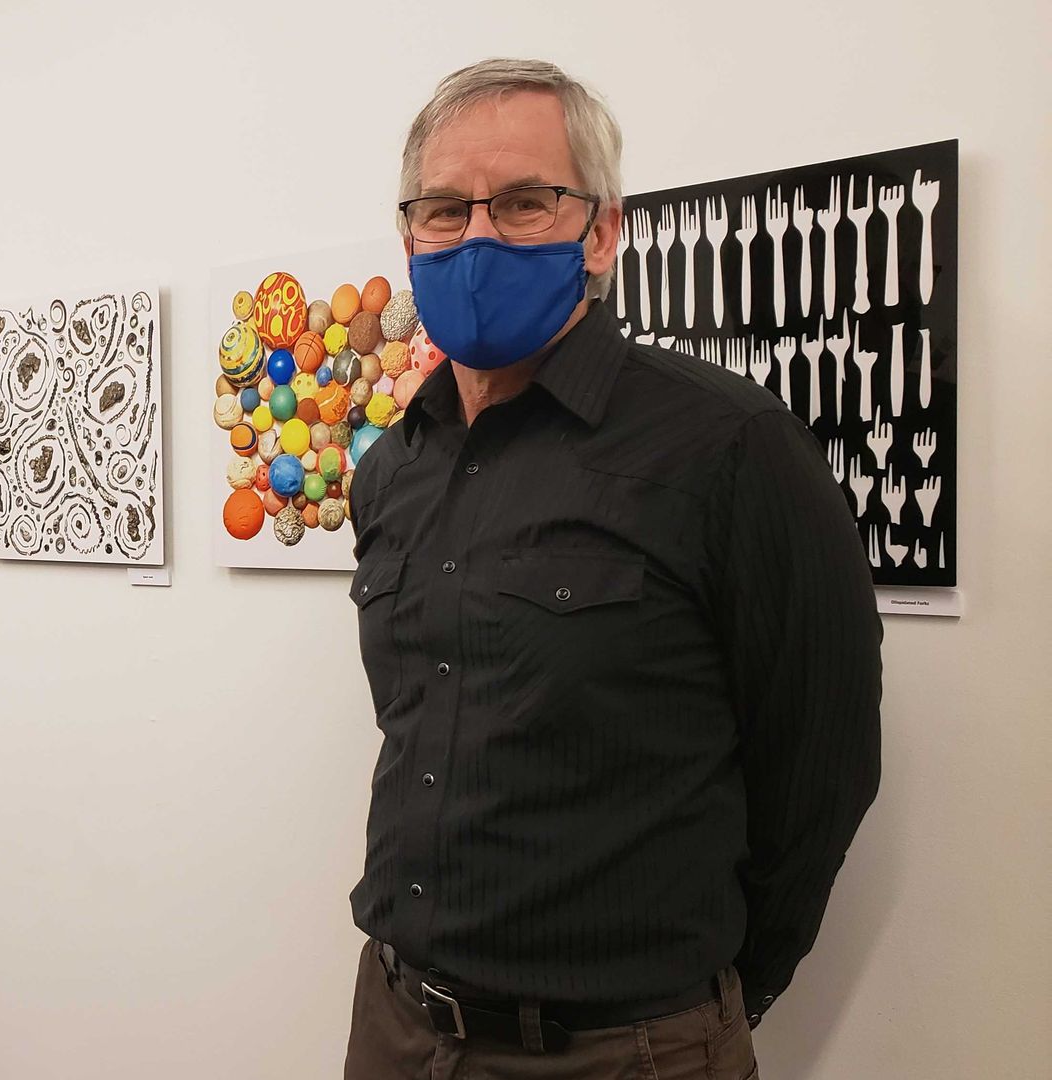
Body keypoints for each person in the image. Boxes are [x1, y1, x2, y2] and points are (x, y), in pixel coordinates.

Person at [343, 60, 881, 1079]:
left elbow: (824, 763)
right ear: (410, 236)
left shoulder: (728, 447)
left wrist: (702, 1007)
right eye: (446, 209)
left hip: (622, 1051)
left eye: (524, 202)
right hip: (398, 1028)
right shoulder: (392, 470)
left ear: (599, 233)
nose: (478, 237)